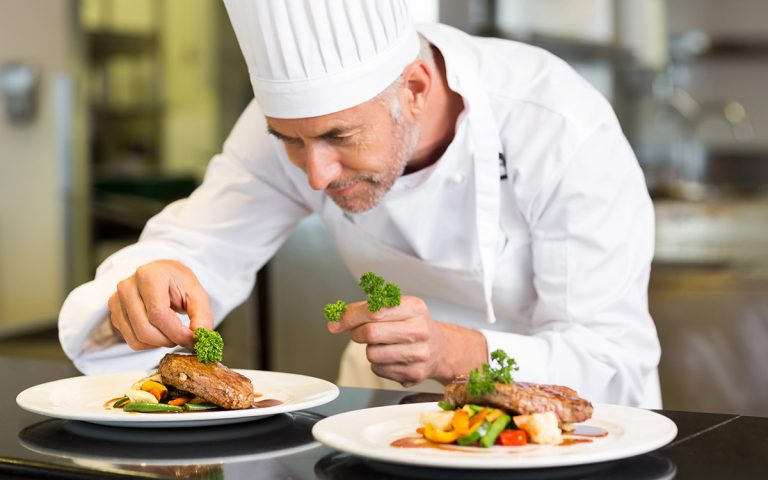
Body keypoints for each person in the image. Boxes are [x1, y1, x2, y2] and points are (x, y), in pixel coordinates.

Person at [59, 0, 661, 407]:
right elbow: (197, 247)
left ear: (416, 89)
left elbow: (613, 359)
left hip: (565, 437)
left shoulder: (556, 123)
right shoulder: (294, 123)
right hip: (383, 420)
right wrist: (148, 286)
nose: (315, 173)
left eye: (339, 137)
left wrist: (455, 350)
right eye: (290, 140)